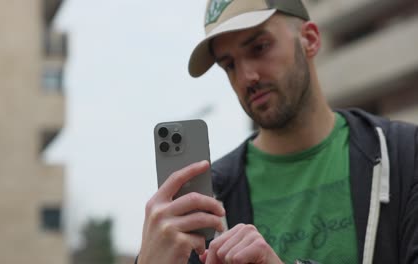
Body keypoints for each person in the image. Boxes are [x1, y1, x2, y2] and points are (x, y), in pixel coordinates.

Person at [138, 0, 418, 263]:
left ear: (309, 39)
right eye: (229, 65)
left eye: (259, 47)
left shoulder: (404, 155)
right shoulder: (208, 198)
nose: (247, 77)